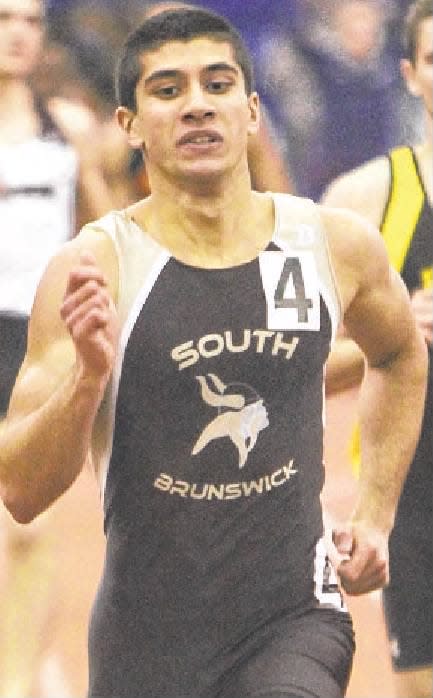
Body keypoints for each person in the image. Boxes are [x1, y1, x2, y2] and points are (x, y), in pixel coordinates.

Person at [0, 7, 428, 698]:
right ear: (129, 126)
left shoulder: (328, 244)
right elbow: (21, 491)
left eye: (217, 84)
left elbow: (400, 354)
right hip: (145, 633)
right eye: (167, 90)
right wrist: (86, 378)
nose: (197, 105)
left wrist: (374, 514)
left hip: (294, 618)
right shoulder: (93, 270)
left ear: (251, 110)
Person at [0, 0, 114, 695]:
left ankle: (17, 677)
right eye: (5, 17)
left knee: (29, 525)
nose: (18, 33)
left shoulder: (66, 130)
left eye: (33, 22)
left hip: (35, 341)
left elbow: (106, 229)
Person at [322, 1, 432, 696]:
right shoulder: (365, 201)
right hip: (416, 492)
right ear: (411, 74)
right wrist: (393, 341)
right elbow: (300, 361)